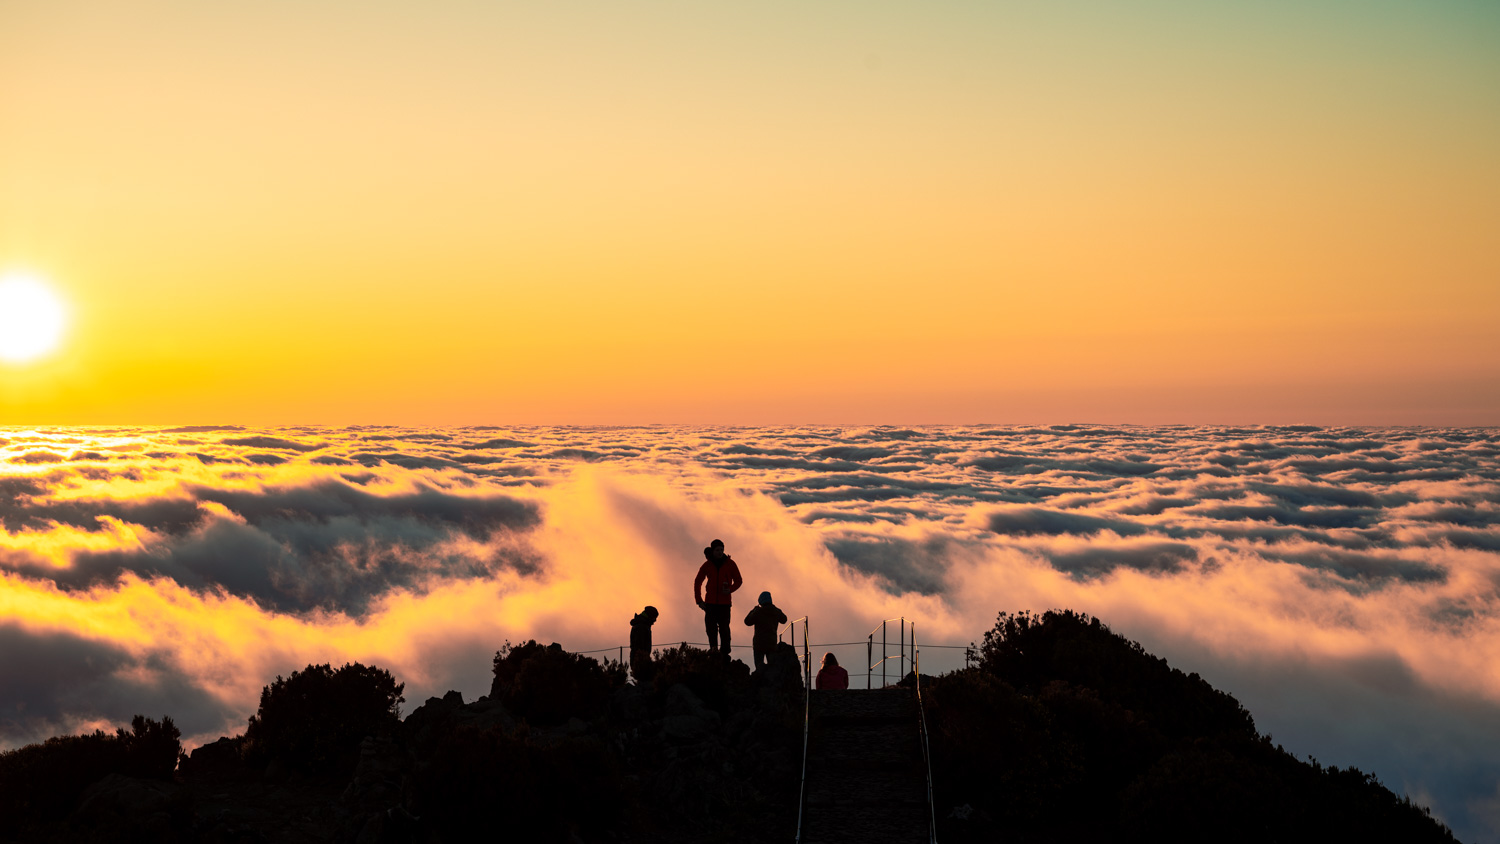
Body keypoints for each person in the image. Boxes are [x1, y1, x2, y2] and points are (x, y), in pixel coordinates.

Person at [693, 538, 742, 654]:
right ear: (713, 551)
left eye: (722, 549)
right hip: (710, 603)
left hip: (725, 604)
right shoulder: (707, 565)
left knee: (724, 628)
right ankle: (713, 650)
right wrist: (699, 600)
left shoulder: (730, 564)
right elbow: (697, 581)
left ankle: (725, 651)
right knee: (711, 629)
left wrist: (729, 590)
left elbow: (739, 581)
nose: (720, 552)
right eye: (717, 550)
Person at [743, 591, 787, 672]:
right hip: (772, 643)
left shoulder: (758, 612)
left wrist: (753, 611)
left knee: (759, 668)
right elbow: (784, 619)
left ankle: (760, 682)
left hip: (759, 644)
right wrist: (777, 609)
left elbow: (747, 622)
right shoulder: (776, 611)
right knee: (773, 669)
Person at [629, 605, 658, 683]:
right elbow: (639, 646)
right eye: (654, 618)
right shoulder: (641, 627)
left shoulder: (642, 624)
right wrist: (643, 659)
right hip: (640, 659)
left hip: (639, 658)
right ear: (650, 616)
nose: (655, 621)